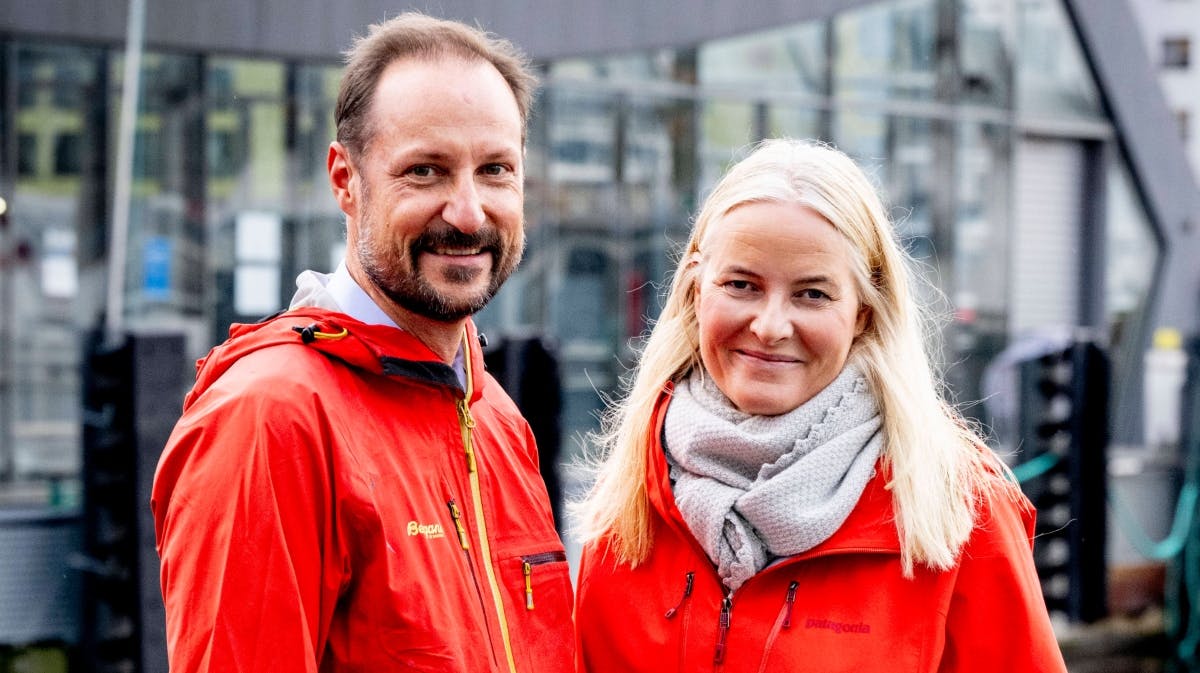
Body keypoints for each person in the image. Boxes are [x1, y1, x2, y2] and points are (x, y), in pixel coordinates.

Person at [151, 13, 575, 673]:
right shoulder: (271, 418)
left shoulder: (495, 418)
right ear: (345, 180)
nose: (468, 212)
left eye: (495, 170)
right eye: (426, 171)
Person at [571, 138, 1067, 672]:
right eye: (741, 285)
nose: (770, 326)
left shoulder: (958, 505)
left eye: (812, 294)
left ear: (862, 312)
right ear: (696, 291)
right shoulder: (633, 492)